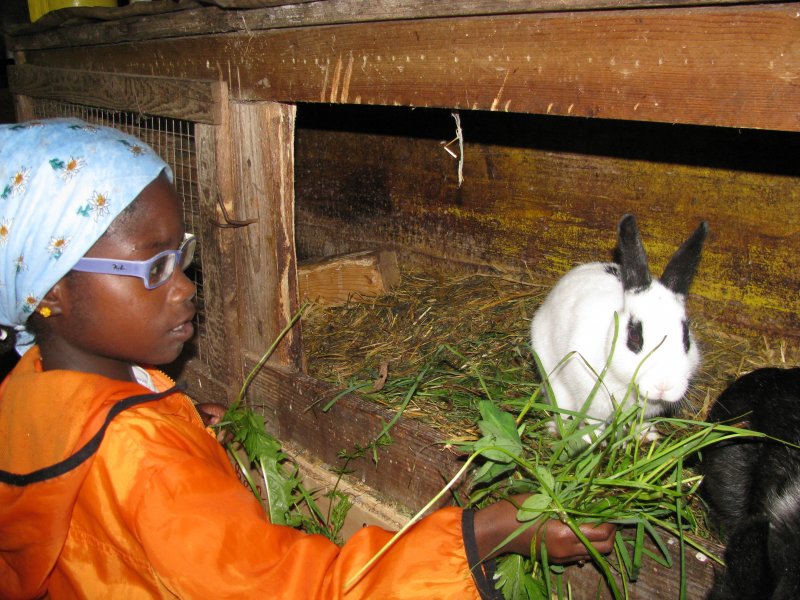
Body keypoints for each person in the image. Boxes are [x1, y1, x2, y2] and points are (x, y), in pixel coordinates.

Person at [0, 119, 614, 599]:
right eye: (153, 265)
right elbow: (298, 590)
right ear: (52, 289)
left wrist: (184, 422)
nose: (185, 284)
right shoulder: (147, 466)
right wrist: (494, 531)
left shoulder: (32, 384)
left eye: (183, 254)